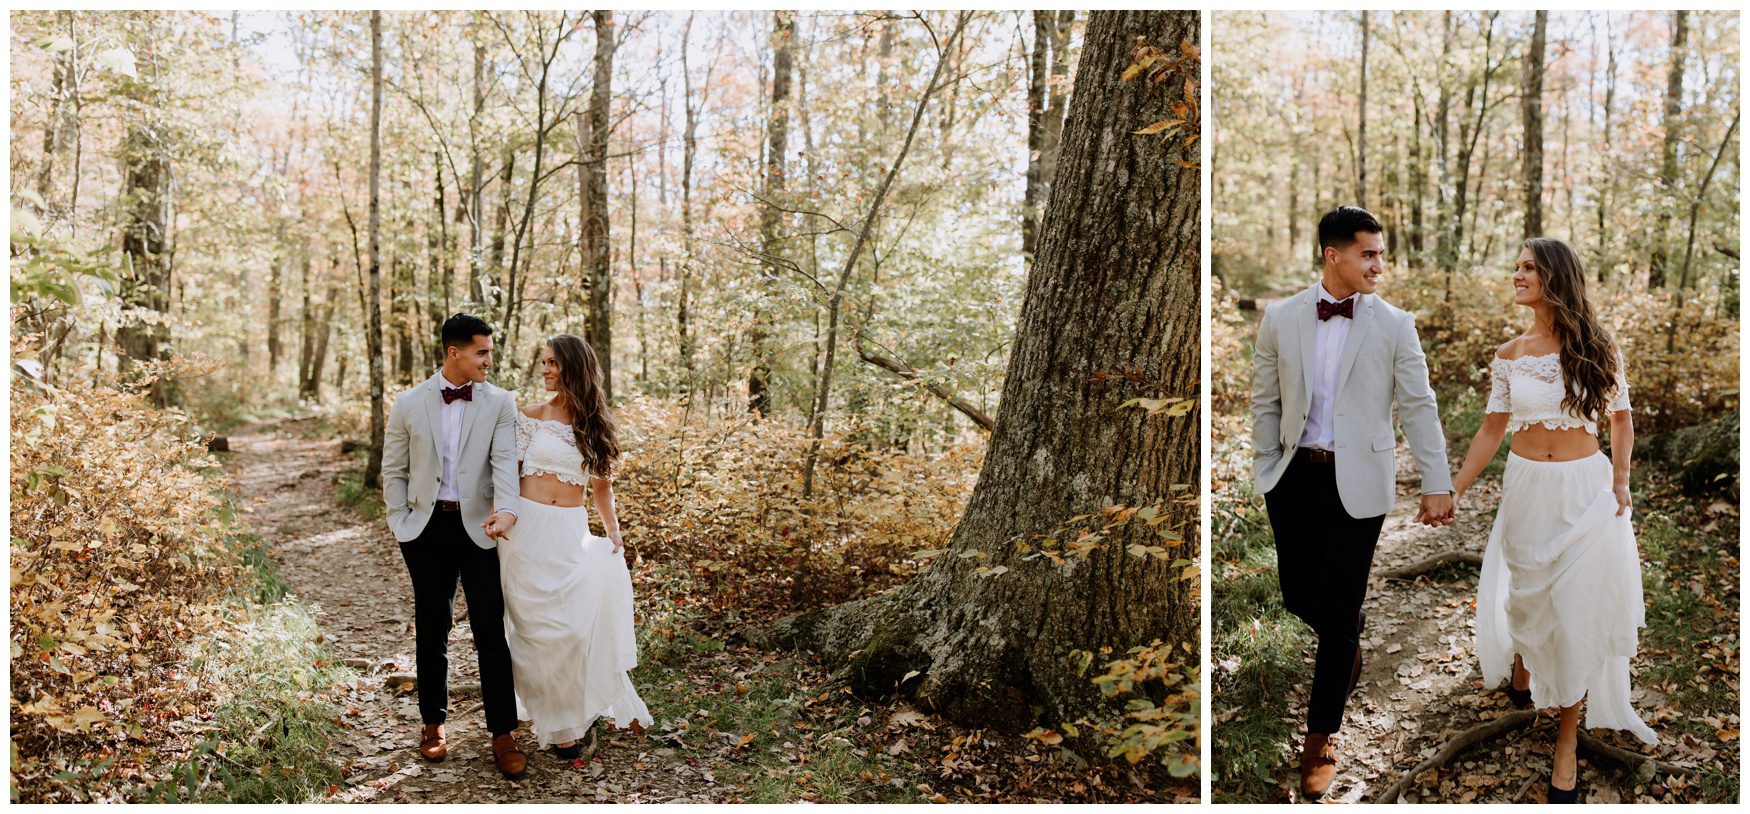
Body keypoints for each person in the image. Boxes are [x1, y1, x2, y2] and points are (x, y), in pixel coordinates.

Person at [1250, 205, 1454, 800]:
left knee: (1336, 614)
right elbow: (1265, 397)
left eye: (1381, 254)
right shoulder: (1283, 317)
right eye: (1368, 254)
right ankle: (1348, 637)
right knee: (1299, 596)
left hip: (1359, 483)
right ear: (1332, 256)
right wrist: (1267, 463)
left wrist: (1436, 481)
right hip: (1292, 477)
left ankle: (1319, 740)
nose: (1379, 265)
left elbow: (1419, 406)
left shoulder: (1394, 324)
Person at [1452, 237, 1656, 803]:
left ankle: (1566, 739)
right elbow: (1493, 428)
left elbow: (1621, 420)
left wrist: (1620, 480)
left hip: (1584, 493)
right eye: (1516, 266)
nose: (1517, 275)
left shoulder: (1597, 347)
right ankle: (1522, 660)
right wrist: (1456, 488)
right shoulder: (1510, 354)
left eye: (1528, 268)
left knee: (1574, 613)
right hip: (1526, 490)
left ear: (1555, 279)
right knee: (1528, 595)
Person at [482, 334, 651, 758]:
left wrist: (613, 531)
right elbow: (506, 475)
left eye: (553, 363)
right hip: (526, 531)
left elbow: (602, 487)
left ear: (574, 366)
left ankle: (570, 709)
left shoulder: (595, 424)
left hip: (569, 532)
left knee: (572, 630)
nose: (545, 370)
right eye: (543, 363)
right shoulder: (530, 417)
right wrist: (500, 513)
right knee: (535, 630)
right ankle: (560, 729)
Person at [381, 313, 528, 778]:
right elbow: (394, 470)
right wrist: (399, 521)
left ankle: (503, 733)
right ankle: (432, 724)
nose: (489, 359)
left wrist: (507, 511)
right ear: (454, 353)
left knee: (490, 630)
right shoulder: (408, 403)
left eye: (489, 351)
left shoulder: (501, 402)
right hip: (425, 530)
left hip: (482, 528)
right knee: (433, 626)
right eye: (482, 352)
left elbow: (505, 463)